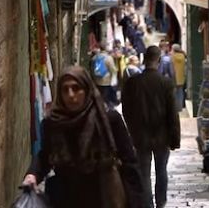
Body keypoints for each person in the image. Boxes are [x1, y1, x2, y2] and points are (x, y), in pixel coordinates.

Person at [23, 66, 144, 208]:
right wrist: (33, 174)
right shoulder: (53, 124)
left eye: (76, 88)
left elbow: (130, 163)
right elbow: (45, 156)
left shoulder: (108, 120)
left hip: (104, 197)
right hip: (66, 198)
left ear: (87, 90)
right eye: (65, 90)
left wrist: (137, 202)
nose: (71, 95)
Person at [122, 46, 181, 208]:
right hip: (162, 136)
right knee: (161, 171)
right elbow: (172, 114)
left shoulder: (133, 83)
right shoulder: (166, 83)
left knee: (144, 173)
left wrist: (132, 130)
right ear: (159, 60)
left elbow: (126, 110)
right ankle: (160, 203)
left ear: (144, 60)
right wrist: (175, 138)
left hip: (141, 137)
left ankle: (147, 204)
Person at [91, 42, 118, 108]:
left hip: (97, 80)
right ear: (106, 48)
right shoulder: (109, 58)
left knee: (99, 97)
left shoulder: (94, 58)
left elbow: (92, 69)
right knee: (106, 98)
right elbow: (113, 70)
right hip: (106, 81)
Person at [171, 44, 187, 112]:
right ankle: (180, 107)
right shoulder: (183, 56)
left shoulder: (173, 57)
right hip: (181, 78)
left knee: (173, 93)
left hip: (174, 78)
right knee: (180, 93)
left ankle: (174, 108)